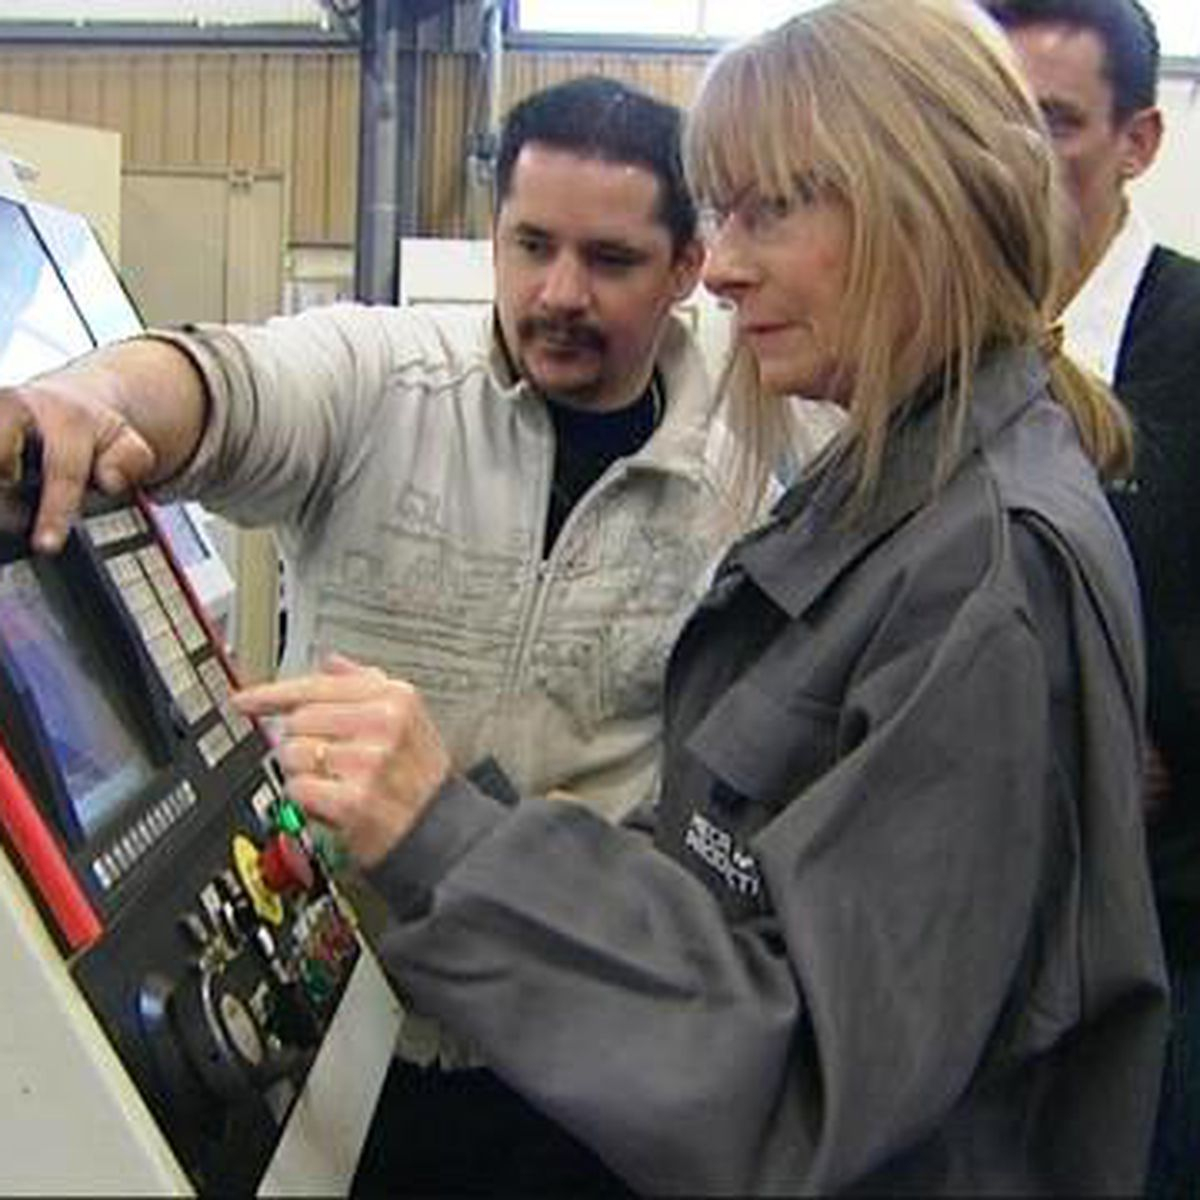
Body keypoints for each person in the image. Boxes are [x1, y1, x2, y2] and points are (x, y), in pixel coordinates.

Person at [234, 0, 1169, 1192]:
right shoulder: (891, 494)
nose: (721, 267)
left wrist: (447, 838)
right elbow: (738, 895)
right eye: (724, 214)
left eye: (772, 210)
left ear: (923, 204)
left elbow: (813, 1090)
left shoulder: (983, 577)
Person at [0, 77, 763, 1192]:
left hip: (574, 1062)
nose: (558, 293)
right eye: (531, 245)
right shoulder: (387, 382)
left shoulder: (746, 477)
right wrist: (81, 398)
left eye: (610, 260)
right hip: (336, 1024)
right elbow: (229, 386)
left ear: (688, 266)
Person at [984, 3, 1200, 1195]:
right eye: (988, 118)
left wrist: (1141, 734)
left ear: (1139, 142)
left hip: (1164, 949)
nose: (1012, 158)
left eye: (1053, 123)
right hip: (964, 940)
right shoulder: (934, 339)